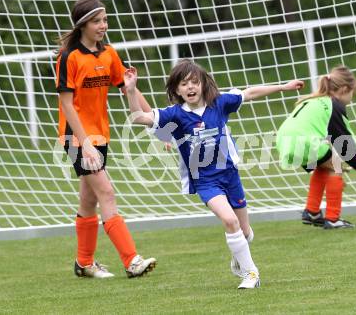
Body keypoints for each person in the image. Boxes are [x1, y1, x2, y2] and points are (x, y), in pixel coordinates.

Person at [123, 59, 304, 289]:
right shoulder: (175, 114)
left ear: (203, 84)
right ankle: (251, 274)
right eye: (184, 83)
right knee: (229, 221)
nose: (190, 87)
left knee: (245, 232)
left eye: (194, 82)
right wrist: (130, 91)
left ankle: (240, 258)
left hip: (229, 174)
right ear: (177, 89)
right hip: (205, 181)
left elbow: (249, 93)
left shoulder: (218, 103)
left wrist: (282, 87)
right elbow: (140, 118)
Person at [55, 0, 156, 278]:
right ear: (83, 25)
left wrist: (160, 124)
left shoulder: (108, 53)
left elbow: (128, 88)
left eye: (105, 20)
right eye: (97, 21)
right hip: (76, 139)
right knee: (107, 193)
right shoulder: (68, 58)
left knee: (88, 200)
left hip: (101, 137)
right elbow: (66, 104)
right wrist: (84, 143)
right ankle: (132, 260)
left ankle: (84, 263)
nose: (103, 25)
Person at [276, 66, 356, 229]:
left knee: (325, 164)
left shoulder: (315, 100)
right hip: (302, 141)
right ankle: (333, 219)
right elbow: (346, 142)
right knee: (336, 167)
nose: (351, 99)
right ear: (344, 89)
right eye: (352, 94)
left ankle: (312, 212)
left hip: (284, 140)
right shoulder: (333, 105)